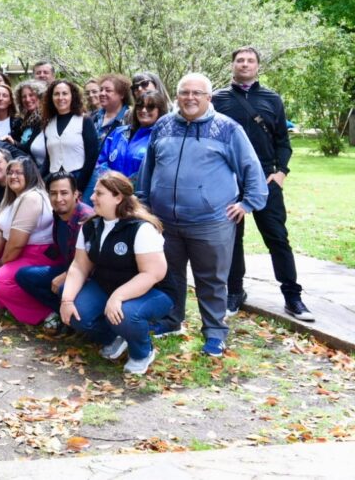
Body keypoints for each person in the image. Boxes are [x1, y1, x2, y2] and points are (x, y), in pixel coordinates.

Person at [137, 73, 267, 357]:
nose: (190, 98)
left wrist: (248, 203)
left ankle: (215, 333)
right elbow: (148, 168)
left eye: (197, 93)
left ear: (208, 98)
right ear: (177, 96)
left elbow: (251, 168)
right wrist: (143, 203)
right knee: (168, 275)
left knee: (211, 280)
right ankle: (171, 320)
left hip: (211, 222)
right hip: (164, 221)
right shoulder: (163, 126)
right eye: (185, 92)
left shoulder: (228, 129)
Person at [212, 46, 312, 321]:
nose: (245, 64)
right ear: (232, 65)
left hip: (266, 178)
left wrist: (281, 173)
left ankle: (293, 296)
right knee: (233, 240)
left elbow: (283, 141)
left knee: (277, 238)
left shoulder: (272, 99)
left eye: (250, 60)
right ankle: (235, 292)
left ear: (257, 66)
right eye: (240, 60)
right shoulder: (218, 99)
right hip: (230, 180)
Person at [59, 171, 174, 374]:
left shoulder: (141, 229)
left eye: (99, 193)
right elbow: (79, 266)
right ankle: (116, 337)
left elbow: (153, 274)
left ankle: (142, 351)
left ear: (118, 197)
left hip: (153, 292)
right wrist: (66, 301)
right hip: (107, 286)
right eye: (94, 192)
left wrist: (118, 296)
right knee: (76, 312)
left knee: (126, 314)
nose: (92, 197)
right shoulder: (90, 226)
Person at [0, 156, 57, 325]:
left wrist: (2, 261)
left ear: (29, 175)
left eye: (18, 173)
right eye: (10, 173)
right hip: (22, 251)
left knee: (0, 279)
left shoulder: (31, 197)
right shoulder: (15, 197)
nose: (13, 176)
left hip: (39, 254)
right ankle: (9, 307)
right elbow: (1, 229)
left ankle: (47, 314)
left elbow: (16, 244)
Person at [15, 171, 94, 332]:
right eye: (53, 193)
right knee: (24, 275)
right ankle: (62, 313)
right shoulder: (58, 215)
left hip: (88, 276)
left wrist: (66, 276)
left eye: (64, 193)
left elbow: (93, 263)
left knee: (63, 288)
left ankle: (74, 320)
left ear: (76, 194)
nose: (58, 199)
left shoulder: (87, 220)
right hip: (67, 268)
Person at [31, 80, 99, 192]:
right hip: (55, 180)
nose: (60, 97)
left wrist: (79, 188)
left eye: (65, 93)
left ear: (72, 96)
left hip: (81, 179)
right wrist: (37, 180)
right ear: (51, 98)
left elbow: (91, 157)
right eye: (56, 94)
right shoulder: (48, 124)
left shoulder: (84, 120)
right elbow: (49, 159)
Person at [94, 90, 168, 185]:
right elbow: (101, 161)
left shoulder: (161, 138)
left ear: (160, 110)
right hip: (111, 192)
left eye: (150, 107)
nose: (143, 110)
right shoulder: (118, 132)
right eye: (140, 106)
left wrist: (127, 186)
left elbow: (158, 173)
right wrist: (112, 181)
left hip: (139, 196)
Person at [93, 73, 132, 147]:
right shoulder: (95, 116)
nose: (102, 93)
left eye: (108, 90)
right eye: (101, 90)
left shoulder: (130, 118)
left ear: (122, 94)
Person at [11, 80, 45, 153]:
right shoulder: (23, 121)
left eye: (31, 95)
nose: (27, 99)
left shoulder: (44, 119)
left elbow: (30, 148)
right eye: (24, 97)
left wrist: (13, 143)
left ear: (39, 96)